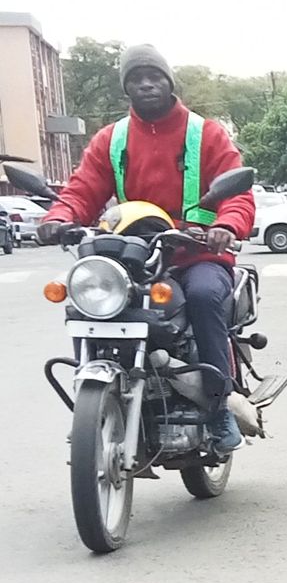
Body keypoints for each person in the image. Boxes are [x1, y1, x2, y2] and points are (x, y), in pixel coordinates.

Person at [39, 44, 256, 453]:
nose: (146, 84)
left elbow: (236, 191)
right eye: (136, 78)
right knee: (87, 303)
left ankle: (219, 406)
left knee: (205, 296)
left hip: (195, 252)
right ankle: (94, 405)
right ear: (127, 88)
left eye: (153, 76)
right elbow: (82, 188)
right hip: (131, 254)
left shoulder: (204, 133)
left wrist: (226, 225)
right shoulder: (112, 138)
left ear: (168, 81)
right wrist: (58, 217)